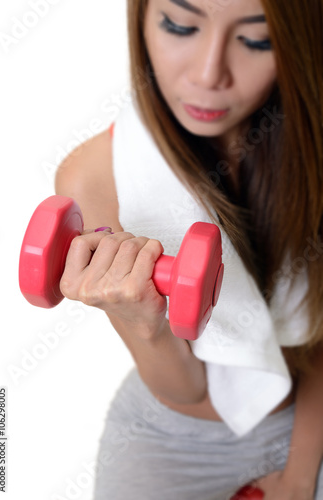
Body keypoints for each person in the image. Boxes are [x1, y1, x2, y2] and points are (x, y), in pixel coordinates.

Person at [55, 0, 323, 498]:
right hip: (172, 432)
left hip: (309, 412)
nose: (208, 74)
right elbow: (186, 389)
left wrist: (300, 475)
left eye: (256, 40)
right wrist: (143, 320)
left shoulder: (312, 153)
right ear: (141, 20)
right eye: (180, 25)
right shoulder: (92, 176)